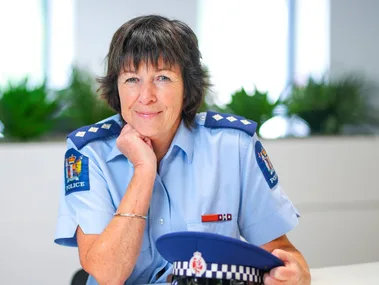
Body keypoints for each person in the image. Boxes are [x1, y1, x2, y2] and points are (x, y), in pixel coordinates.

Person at [54, 15, 311, 285]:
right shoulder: (88, 152)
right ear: (116, 87)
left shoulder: (233, 146)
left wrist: (295, 273)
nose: (145, 96)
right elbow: (107, 273)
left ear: (187, 86)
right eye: (132, 79)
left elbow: (282, 252)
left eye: (162, 77)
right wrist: (144, 171)